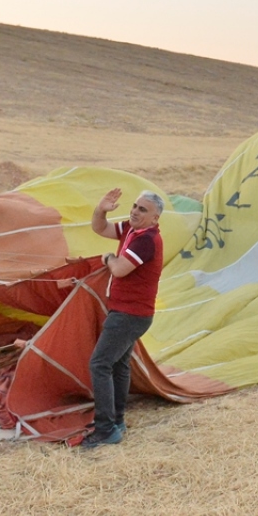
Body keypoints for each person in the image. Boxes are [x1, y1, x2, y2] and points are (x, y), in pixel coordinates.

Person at [80, 188, 164, 449]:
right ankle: (116, 421)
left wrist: (108, 257)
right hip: (130, 313)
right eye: (135, 206)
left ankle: (106, 429)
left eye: (143, 210)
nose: (135, 212)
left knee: (100, 364)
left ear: (155, 218)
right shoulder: (131, 229)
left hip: (130, 314)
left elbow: (119, 269)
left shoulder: (146, 240)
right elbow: (100, 227)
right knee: (118, 365)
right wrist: (101, 209)